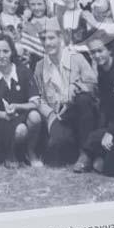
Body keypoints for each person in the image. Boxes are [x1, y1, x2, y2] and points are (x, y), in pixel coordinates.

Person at [33, 17, 97, 166]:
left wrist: (75, 87)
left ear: (60, 37)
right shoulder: (39, 66)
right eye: (43, 39)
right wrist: (50, 115)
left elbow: (93, 84)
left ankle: (85, 153)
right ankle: (73, 145)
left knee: (83, 99)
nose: (47, 43)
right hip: (58, 116)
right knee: (56, 153)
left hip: (80, 113)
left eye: (51, 38)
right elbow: (38, 97)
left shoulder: (77, 59)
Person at [75, 36, 114, 176]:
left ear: (110, 50)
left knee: (110, 168)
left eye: (100, 51)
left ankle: (94, 155)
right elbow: (105, 105)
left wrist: (111, 132)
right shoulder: (102, 71)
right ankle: (90, 155)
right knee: (96, 137)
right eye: (93, 53)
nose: (97, 56)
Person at [0, 33, 43, 168]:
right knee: (20, 130)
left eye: (6, 51)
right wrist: (5, 114)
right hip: (2, 121)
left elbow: (35, 103)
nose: (2, 55)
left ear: (12, 52)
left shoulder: (24, 72)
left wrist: (17, 106)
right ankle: (9, 153)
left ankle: (30, 151)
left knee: (35, 117)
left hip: (21, 115)